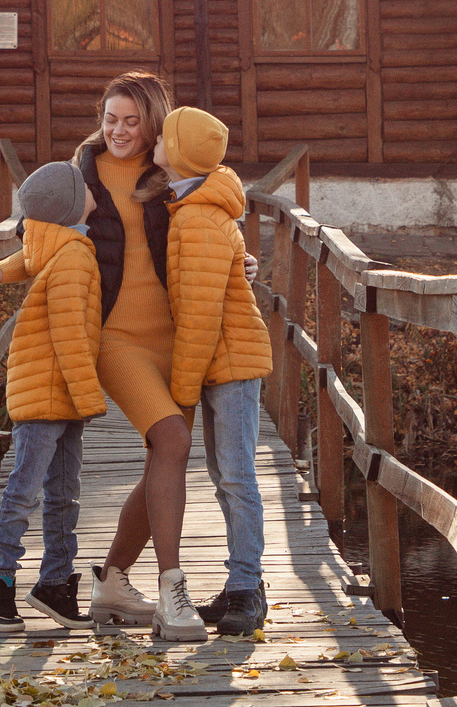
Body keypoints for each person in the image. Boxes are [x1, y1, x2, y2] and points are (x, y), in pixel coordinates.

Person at [0, 71, 207, 640]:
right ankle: (173, 590)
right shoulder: (80, 175)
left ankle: (111, 581)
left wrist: (237, 267)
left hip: (175, 335)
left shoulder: (168, 173)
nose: (118, 131)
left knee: (165, 456)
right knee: (171, 441)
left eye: (131, 121)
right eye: (109, 119)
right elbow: (42, 244)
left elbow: (209, 231)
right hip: (114, 337)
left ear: (153, 123)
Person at [0, 159, 103, 628]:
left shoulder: (53, 240)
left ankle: (54, 584)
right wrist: (89, 397)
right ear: (70, 206)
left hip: (51, 389)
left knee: (63, 492)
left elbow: (26, 258)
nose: (90, 188)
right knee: (27, 489)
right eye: (83, 187)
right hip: (50, 389)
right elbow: (69, 335)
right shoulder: (75, 253)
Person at [158, 106, 273, 637]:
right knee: (226, 476)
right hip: (220, 363)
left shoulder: (199, 218)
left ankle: (249, 589)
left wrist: (180, 389)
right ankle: (239, 581)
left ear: (178, 155)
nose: (154, 143)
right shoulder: (194, 207)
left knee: (236, 475)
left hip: (228, 363)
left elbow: (201, 317)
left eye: (162, 138)